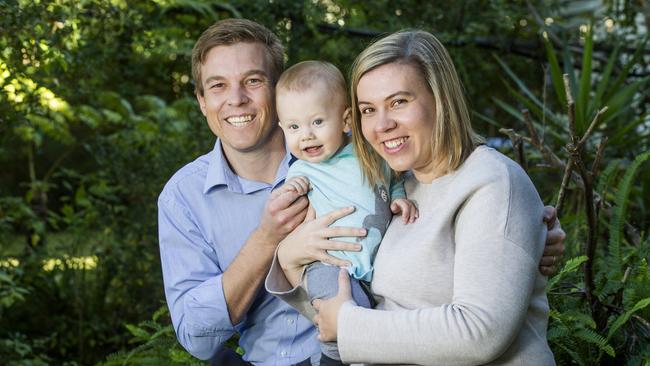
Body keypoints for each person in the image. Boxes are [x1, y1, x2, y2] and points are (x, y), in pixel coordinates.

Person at [158, 18, 564, 365]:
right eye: (217, 86)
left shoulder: (370, 163)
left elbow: (458, 189)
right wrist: (279, 250)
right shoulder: (184, 197)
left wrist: (527, 231)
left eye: (253, 80)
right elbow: (202, 337)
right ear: (201, 100)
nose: (236, 99)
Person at [267, 30, 557, 365]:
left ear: (440, 97)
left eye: (399, 102)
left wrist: (349, 326)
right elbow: (343, 320)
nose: (383, 124)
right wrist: (289, 259)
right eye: (368, 109)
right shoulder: (396, 189)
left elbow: (482, 332)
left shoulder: (492, 182)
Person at [272, 60, 418, 364]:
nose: (306, 136)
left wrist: (399, 198)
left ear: (346, 120)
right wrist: (291, 189)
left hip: (375, 269)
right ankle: (331, 358)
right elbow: (284, 205)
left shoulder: (369, 154)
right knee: (338, 321)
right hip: (330, 265)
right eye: (294, 127)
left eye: (317, 122)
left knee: (371, 321)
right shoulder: (302, 171)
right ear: (282, 129)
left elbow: (390, 182)